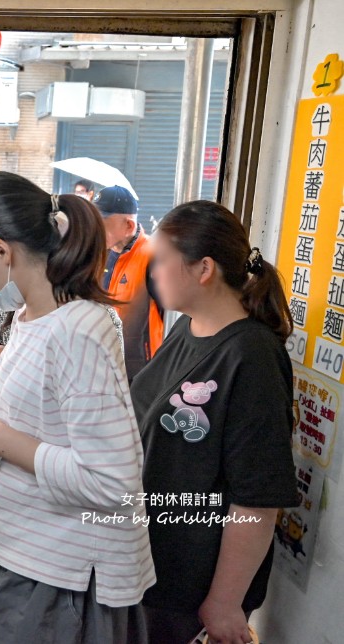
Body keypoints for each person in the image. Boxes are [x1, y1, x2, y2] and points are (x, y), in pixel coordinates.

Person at [0, 171, 153, 644]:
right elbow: (4, 390)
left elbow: (113, 481)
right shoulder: (32, 315)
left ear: (0, 251)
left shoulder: (80, 330)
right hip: (6, 548)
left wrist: (4, 442)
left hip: (50, 582)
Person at [130, 201, 297, 644]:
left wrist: (224, 601)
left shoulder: (252, 356)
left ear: (203, 269)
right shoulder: (185, 328)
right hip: (149, 568)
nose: (154, 272)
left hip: (191, 592)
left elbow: (257, 500)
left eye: (162, 260)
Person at [96, 186, 164, 381]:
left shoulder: (153, 257)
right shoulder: (102, 253)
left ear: (129, 226)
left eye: (102, 221)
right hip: (105, 370)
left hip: (141, 376)